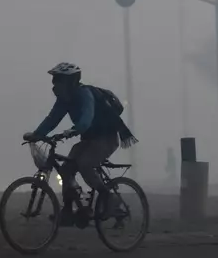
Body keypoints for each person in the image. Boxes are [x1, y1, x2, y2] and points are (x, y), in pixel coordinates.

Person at [23, 62, 137, 226]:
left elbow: (87, 117)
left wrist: (74, 130)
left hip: (107, 139)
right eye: (54, 81)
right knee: (66, 169)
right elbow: (52, 119)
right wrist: (36, 135)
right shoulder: (64, 100)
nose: (54, 85)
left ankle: (109, 199)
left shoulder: (84, 94)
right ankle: (68, 210)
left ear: (71, 82)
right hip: (89, 140)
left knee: (85, 164)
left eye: (58, 80)